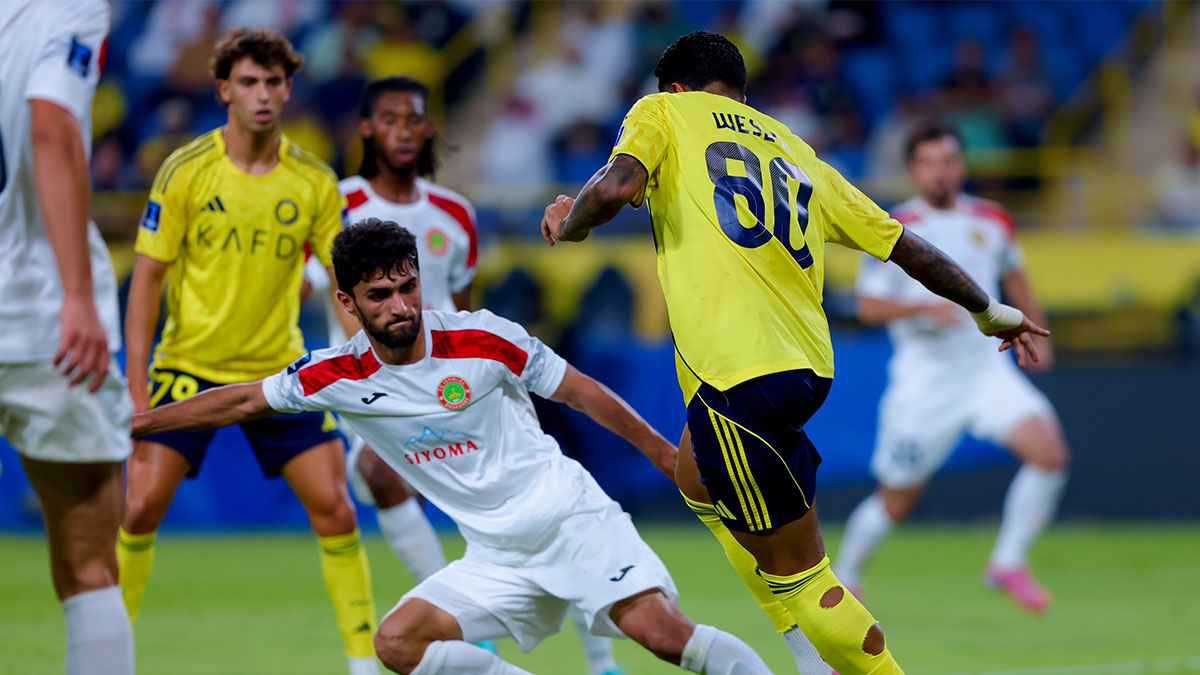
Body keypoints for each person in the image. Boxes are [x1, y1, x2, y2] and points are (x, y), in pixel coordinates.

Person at [538, 32, 1050, 675]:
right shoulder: (796, 150)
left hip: (736, 375)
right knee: (695, 477)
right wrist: (989, 309)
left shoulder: (663, 113)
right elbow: (907, 246)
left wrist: (569, 220)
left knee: (803, 576)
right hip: (804, 368)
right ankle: (808, 658)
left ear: (672, 87)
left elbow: (614, 188)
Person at [132, 218, 775, 675]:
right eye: (379, 296)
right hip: (495, 555)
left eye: (407, 286)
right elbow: (241, 399)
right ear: (347, 303)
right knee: (398, 644)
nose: (400, 305)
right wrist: (139, 425)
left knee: (664, 637)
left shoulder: (484, 339)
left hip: (570, 521)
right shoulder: (335, 375)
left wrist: (665, 456)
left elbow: (581, 393)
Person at [305, 76, 626, 675]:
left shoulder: (454, 213)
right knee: (376, 471)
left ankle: (601, 656)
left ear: (427, 129)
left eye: (414, 119)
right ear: (368, 130)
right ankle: (467, 634)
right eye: (391, 118)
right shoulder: (333, 202)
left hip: (460, 383)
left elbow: (464, 301)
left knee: (540, 505)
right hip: (380, 387)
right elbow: (306, 284)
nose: (404, 130)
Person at [118, 29, 378, 675]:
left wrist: (354, 369)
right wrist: (135, 383)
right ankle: (108, 654)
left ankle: (364, 662)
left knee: (336, 508)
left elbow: (343, 288)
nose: (262, 95)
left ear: (288, 89)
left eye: (273, 82)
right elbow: (146, 279)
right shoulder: (186, 170)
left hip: (279, 371)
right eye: (249, 83)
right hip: (188, 366)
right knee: (140, 505)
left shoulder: (315, 182)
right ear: (223, 91)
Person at [835, 122, 1069, 613]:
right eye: (929, 163)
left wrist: (1037, 331)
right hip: (924, 383)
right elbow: (867, 308)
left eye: (949, 161)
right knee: (898, 499)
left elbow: (1017, 279)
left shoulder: (992, 220)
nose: (940, 172)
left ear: (962, 166)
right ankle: (847, 577)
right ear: (913, 169)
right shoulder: (891, 226)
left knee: (1049, 453)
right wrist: (923, 309)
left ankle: (1008, 561)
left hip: (985, 371)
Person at [0, 2, 135, 673]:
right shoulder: (67, 9)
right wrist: (79, 295)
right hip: (37, 314)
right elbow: (51, 126)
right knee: (88, 563)